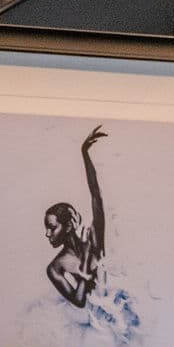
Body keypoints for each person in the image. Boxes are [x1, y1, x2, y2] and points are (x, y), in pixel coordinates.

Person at [44, 126, 107, 308]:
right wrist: (86, 256)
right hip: (93, 320)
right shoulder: (54, 267)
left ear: (68, 226)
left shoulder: (94, 237)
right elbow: (79, 301)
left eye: (52, 227)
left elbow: (96, 195)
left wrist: (84, 153)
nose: (47, 234)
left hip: (116, 316)